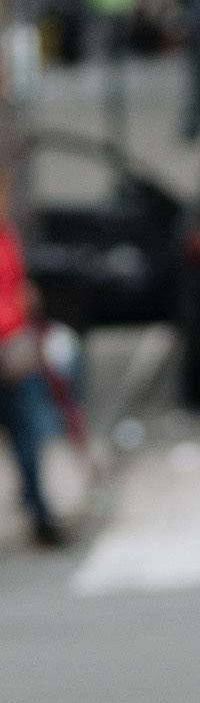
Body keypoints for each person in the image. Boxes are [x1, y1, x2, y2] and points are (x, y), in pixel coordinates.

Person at [0, 207, 66, 548]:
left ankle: (37, 508)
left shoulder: (7, 232)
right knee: (27, 429)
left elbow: (16, 284)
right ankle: (36, 509)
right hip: (8, 344)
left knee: (29, 432)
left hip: (15, 348)